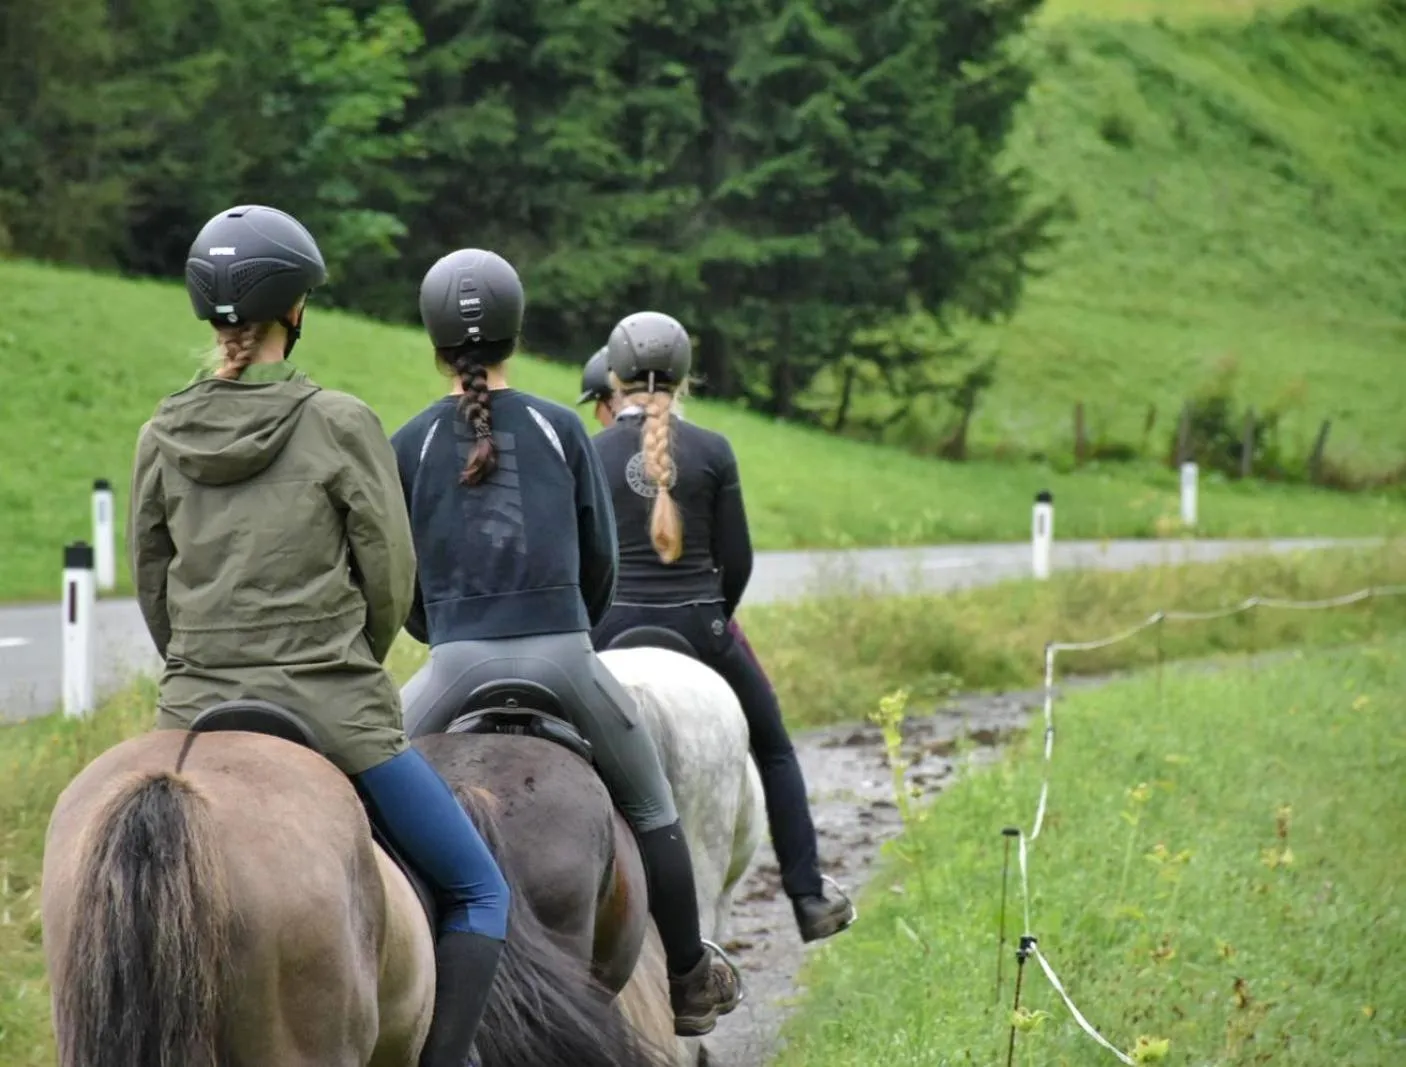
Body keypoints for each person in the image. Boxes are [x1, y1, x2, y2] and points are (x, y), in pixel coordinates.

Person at [129, 204, 510, 1067]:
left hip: (194, 714)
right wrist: (343, 668)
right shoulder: (339, 420)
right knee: (479, 888)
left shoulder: (160, 433)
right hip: (331, 707)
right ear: (294, 310)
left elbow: (153, 585)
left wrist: (200, 671)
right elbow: (390, 580)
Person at [389, 248, 742, 1038]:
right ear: (515, 333)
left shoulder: (407, 441)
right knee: (652, 805)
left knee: (363, 799)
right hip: (565, 656)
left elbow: (400, 580)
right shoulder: (558, 427)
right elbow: (599, 565)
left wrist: (441, 631)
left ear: (434, 341)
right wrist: (569, 628)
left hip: (450, 664)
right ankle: (688, 975)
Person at [586, 311, 857, 945]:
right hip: (700, 626)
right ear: (685, 378)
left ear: (615, 378)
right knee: (776, 748)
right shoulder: (713, 450)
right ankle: (809, 893)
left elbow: (581, 558)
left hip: (608, 628)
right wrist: (715, 620)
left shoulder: (589, 450)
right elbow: (739, 560)